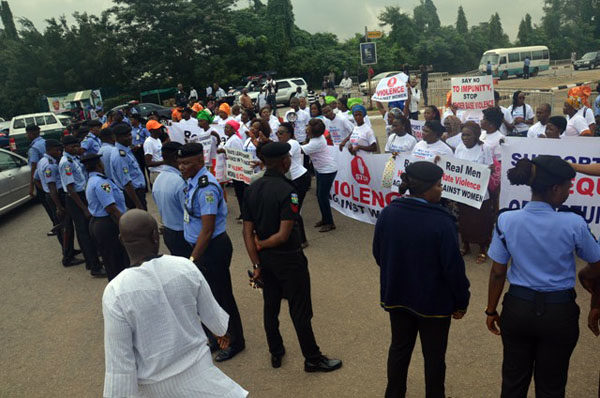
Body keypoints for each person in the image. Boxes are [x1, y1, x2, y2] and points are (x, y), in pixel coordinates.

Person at [486, 155, 600, 397]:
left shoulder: (506, 219)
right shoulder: (574, 223)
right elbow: (597, 265)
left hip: (517, 309)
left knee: (513, 383)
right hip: (559, 313)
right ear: (555, 189)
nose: (570, 192)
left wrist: (491, 310)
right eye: (569, 187)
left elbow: (498, 272)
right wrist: (587, 279)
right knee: (552, 385)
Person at [102, 210, 248, 398]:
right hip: (201, 377)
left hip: (154, 389)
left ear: (121, 240)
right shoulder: (184, 267)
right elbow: (215, 320)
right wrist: (222, 333)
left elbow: (120, 364)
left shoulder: (116, 292)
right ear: (156, 236)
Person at [242, 141, 342, 372]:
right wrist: (264, 244)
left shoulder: (251, 188)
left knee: (271, 307)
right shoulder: (288, 191)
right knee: (300, 311)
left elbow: (247, 231)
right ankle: (312, 358)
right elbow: (283, 234)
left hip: (265, 261)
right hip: (289, 260)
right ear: (284, 162)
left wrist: (256, 261)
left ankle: (275, 352)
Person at [373, 161, 470, 398]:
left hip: (397, 295)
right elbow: (453, 268)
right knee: (434, 357)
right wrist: (461, 301)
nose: (441, 189)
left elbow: (379, 253)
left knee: (399, 349)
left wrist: (398, 271)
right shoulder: (442, 221)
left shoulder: (389, 212)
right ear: (427, 189)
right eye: (439, 185)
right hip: (433, 303)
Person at [178, 143, 245, 362]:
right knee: (208, 298)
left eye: (186, 163)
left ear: (200, 161)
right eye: (179, 162)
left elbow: (207, 229)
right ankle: (219, 337)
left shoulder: (207, 187)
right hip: (201, 248)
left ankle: (236, 341)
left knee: (222, 297)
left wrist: (192, 259)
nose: (181, 167)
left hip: (211, 249)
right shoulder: (192, 181)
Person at [58, 135, 105, 277]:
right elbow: (70, 188)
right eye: (72, 146)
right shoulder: (66, 163)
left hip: (81, 196)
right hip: (75, 199)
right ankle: (94, 267)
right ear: (65, 147)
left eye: (76, 145)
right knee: (84, 233)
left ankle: (91, 261)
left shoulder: (75, 158)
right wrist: (84, 208)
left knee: (88, 231)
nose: (75, 148)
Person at [82, 153, 129, 280]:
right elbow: (111, 209)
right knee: (116, 260)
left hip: (99, 222)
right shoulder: (101, 183)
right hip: (107, 224)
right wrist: (126, 224)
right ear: (99, 165)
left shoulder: (92, 180)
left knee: (110, 259)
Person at [454, 122, 494, 264]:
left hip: (480, 193)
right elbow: (455, 168)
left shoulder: (485, 148)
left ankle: (482, 248)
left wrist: (487, 169)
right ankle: (466, 245)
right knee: (464, 219)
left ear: (476, 135)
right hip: (463, 192)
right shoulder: (459, 148)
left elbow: (491, 168)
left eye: (468, 135)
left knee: (480, 221)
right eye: (463, 134)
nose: (464, 138)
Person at [38, 139, 81, 267]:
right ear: (49, 149)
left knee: (65, 226)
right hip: (57, 197)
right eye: (57, 150)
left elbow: (37, 179)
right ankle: (67, 257)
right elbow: (52, 187)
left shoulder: (43, 161)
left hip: (53, 196)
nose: (59, 152)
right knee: (65, 228)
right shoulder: (49, 164)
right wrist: (58, 206)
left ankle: (70, 250)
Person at [151, 142, 191, 258]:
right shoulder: (180, 182)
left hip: (169, 232)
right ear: (176, 158)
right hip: (183, 233)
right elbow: (189, 212)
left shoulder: (158, 179)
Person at [276, 122, 310, 247]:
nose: (278, 136)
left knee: (294, 209)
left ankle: (302, 240)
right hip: (292, 181)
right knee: (292, 208)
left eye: (281, 133)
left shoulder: (293, 143)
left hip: (300, 180)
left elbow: (282, 157)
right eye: (277, 133)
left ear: (289, 134)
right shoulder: (283, 144)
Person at [302, 119, 337, 233]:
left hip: (327, 170)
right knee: (320, 195)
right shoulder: (316, 138)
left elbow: (300, 150)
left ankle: (330, 223)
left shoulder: (315, 142)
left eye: (308, 128)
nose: (306, 128)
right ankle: (325, 218)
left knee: (322, 196)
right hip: (321, 169)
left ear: (312, 132)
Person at [110, 123, 147, 210]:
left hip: (138, 192)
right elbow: (127, 183)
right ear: (117, 138)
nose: (129, 138)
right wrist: (138, 205)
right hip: (133, 195)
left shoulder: (126, 150)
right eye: (125, 136)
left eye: (129, 134)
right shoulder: (120, 156)